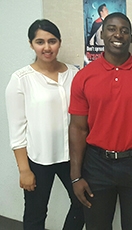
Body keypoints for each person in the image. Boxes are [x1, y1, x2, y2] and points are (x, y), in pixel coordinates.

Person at [68, 12, 132, 230]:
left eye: (124, 30)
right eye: (112, 29)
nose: (118, 34)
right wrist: (76, 176)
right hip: (96, 164)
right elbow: (77, 128)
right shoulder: (84, 77)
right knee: (97, 225)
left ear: (131, 38)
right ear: (102, 34)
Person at [5, 19, 84, 230]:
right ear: (31, 44)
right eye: (40, 42)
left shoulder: (74, 74)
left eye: (52, 41)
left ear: (60, 42)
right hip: (39, 159)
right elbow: (17, 129)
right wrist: (24, 170)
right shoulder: (21, 79)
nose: (47, 47)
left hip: (72, 156)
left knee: (83, 203)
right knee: (36, 213)